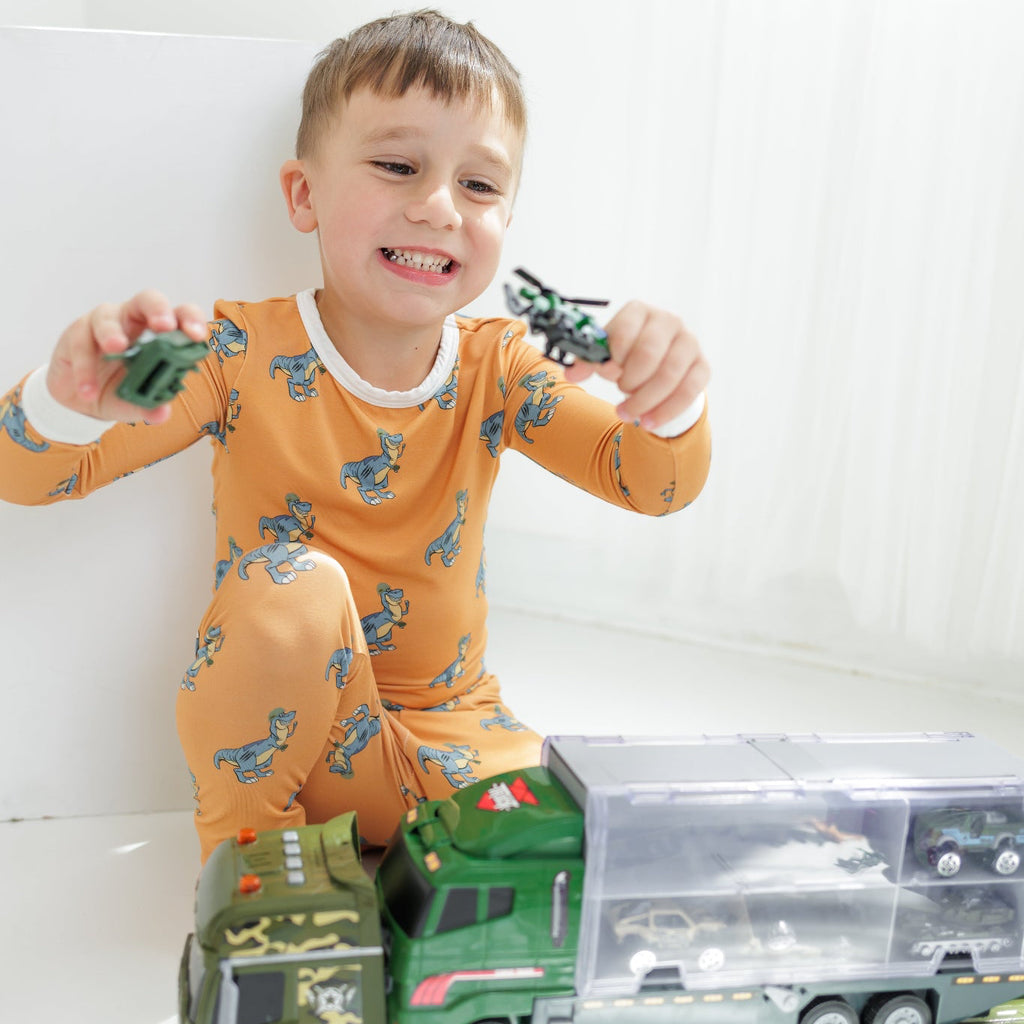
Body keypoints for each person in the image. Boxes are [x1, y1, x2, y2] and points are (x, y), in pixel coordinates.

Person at [0, 10, 711, 862]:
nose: (440, 206)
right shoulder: (234, 352)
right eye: (397, 165)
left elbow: (651, 484)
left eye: (481, 186)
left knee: (595, 851)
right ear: (304, 195)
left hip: (458, 738)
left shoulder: (503, 365)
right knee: (288, 583)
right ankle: (247, 864)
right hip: (301, 753)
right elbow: (29, 476)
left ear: (506, 222)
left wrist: (666, 400)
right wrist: (69, 398)